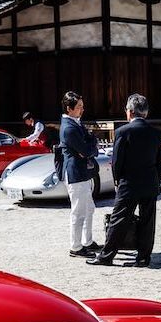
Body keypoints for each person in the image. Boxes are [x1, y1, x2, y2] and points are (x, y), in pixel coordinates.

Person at [89, 94, 161, 267]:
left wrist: (117, 180)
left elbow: (117, 161)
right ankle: (144, 257)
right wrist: (157, 179)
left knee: (119, 218)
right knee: (148, 220)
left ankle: (107, 255)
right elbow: (160, 161)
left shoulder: (123, 132)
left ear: (129, 112)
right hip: (150, 181)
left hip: (129, 182)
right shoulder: (156, 133)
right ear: (146, 112)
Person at [60, 91, 100, 257]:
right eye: (79, 107)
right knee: (78, 211)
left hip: (82, 171)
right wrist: (92, 146)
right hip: (75, 172)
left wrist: (91, 144)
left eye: (82, 107)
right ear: (69, 109)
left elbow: (89, 143)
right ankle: (75, 246)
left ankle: (87, 241)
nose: (82, 110)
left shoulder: (75, 123)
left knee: (89, 208)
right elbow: (85, 150)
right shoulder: (69, 128)